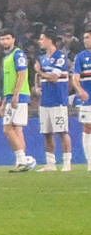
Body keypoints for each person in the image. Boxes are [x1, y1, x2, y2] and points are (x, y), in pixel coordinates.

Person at [0, 33, 35, 169]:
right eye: (2, 39)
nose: (4, 41)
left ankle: (22, 159)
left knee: (7, 128)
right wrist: (5, 101)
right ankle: (22, 161)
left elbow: (22, 74)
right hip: (11, 96)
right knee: (17, 129)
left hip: (19, 96)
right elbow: (8, 83)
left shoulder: (18, 54)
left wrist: (16, 95)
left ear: (13, 39)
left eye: (7, 38)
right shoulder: (5, 57)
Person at [39, 35, 78, 170]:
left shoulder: (60, 57)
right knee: (47, 133)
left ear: (50, 40)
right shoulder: (43, 58)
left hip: (58, 101)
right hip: (45, 101)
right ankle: (50, 163)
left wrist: (39, 71)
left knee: (62, 131)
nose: (40, 42)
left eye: (42, 39)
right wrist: (38, 87)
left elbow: (54, 78)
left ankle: (67, 162)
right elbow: (42, 78)